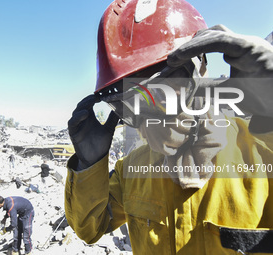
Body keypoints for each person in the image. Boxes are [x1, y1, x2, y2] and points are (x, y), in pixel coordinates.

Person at [65, 0, 273, 254]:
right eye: (129, 103)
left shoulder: (262, 153)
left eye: (163, 90)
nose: (149, 111)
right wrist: (90, 165)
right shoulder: (131, 170)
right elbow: (89, 229)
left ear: (200, 70)